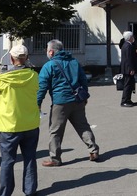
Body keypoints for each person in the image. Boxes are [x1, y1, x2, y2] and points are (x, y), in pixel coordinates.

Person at [38, 39, 100, 167]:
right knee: (82, 126)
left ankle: (55, 158)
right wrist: (85, 96)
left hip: (60, 102)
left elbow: (42, 87)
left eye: (47, 50)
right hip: (77, 100)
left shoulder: (49, 66)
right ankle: (93, 150)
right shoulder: (74, 62)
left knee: (55, 130)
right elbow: (83, 80)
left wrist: (37, 103)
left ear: (51, 51)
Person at [0, 44, 40, 196]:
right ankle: (30, 190)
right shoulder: (34, 76)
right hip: (30, 123)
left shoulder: (2, 79)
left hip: (9, 125)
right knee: (30, 158)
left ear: (11, 58)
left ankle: (5, 193)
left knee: (7, 161)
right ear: (27, 58)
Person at [120, 31, 137, 107]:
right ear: (129, 38)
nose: (133, 38)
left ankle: (128, 100)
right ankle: (124, 101)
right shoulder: (128, 46)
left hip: (127, 68)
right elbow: (129, 59)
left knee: (130, 84)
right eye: (132, 37)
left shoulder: (126, 45)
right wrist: (131, 69)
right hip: (128, 69)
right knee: (128, 85)